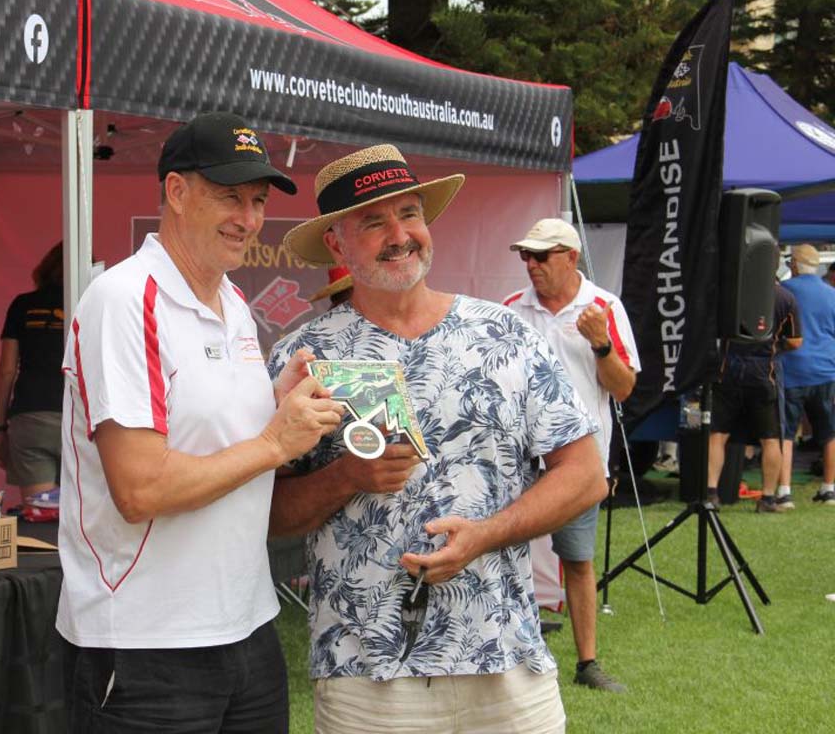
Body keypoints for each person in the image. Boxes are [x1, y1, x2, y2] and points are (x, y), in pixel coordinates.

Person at [268, 145, 607, 733]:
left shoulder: (505, 335)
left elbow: (585, 476)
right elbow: (268, 514)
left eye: (410, 214)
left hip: (506, 658)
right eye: (374, 222)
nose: (400, 235)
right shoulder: (301, 359)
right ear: (336, 244)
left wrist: (485, 536)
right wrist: (347, 476)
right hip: (367, 673)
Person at [56, 111, 345, 732]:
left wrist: (275, 403)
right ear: (177, 192)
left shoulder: (232, 300)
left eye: (259, 201)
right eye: (230, 196)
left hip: (247, 624)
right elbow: (141, 488)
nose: (249, 218)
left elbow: (211, 433)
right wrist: (274, 442)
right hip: (146, 642)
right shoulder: (124, 299)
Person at [502, 218, 639, 693]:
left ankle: (588, 663)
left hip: (578, 461)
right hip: (519, 458)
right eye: (526, 255)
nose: (531, 264)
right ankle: (510, 651)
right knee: (506, 553)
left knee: (577, 560)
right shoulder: (511, 309)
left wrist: (601, 343)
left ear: (570, 257)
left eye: (541, 256)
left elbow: (623, 389)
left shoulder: (605, 307)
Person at [706, 282, 801, 512]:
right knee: (770, 438)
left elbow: (713, 329)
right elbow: (795, 341)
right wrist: (775, 345)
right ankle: (767, 498)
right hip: (764, 371)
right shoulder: (786, 298)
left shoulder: (731, 292)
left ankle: (711, 493)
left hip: (728, 369)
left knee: (718, 434)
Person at [0, 242, 65, 523]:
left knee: (43, 518)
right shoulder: (90, 304)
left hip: (31, 417)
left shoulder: (22, 305)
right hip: (80, 418)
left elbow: (6, 370)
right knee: (82, 517)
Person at [780, 244, 835, 506]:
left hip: (791, 369)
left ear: (793, 264)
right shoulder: (831, 294)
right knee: (829, 433)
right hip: (825, 370)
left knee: (786, 434)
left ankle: (784, 491)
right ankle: (829, 488)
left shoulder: (784, 291)